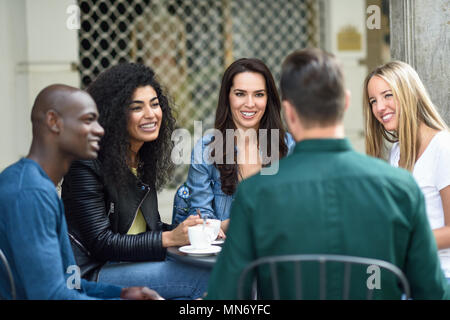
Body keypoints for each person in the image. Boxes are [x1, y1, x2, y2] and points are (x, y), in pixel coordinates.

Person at [205, 48, 449, 300]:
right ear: (345, 102)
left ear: (288, 112)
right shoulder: (400, 187)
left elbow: (225, 297)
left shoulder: (255, 194)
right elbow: (432, 292)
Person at [61, 63, 209, 300]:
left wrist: (205, 230)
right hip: (91, 273)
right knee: (200, 278)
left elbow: (151, 231)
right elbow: (101, 242)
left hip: (127, 265)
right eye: (137, 107)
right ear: (114, 114)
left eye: (154, 104)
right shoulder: (87, 162)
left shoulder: (141, 158)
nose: (151, 114)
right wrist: (169, 238)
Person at [0, 84, 162, 300]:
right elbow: (50, 296)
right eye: (88, 120)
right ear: (53, 122)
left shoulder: (41, 186)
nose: (100, 129)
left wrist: (123, 293)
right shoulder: (29, 193)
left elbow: (70, 283)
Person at [172, 58, 296, 233]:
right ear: (227, 97)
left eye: (259, 94)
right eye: (240, 94)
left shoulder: (290, 147)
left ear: (269, 99)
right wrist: (240, 222)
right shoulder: (205, 150)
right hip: (221, 255)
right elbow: (201, 221)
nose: (250, 103)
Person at [363, 61, 450, 281]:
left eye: (387, 95)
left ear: (409, 93)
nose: (379, 108)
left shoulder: (442, 146)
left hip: (439, 278)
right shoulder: (396, 151)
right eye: (373, 101)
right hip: (405, 277)